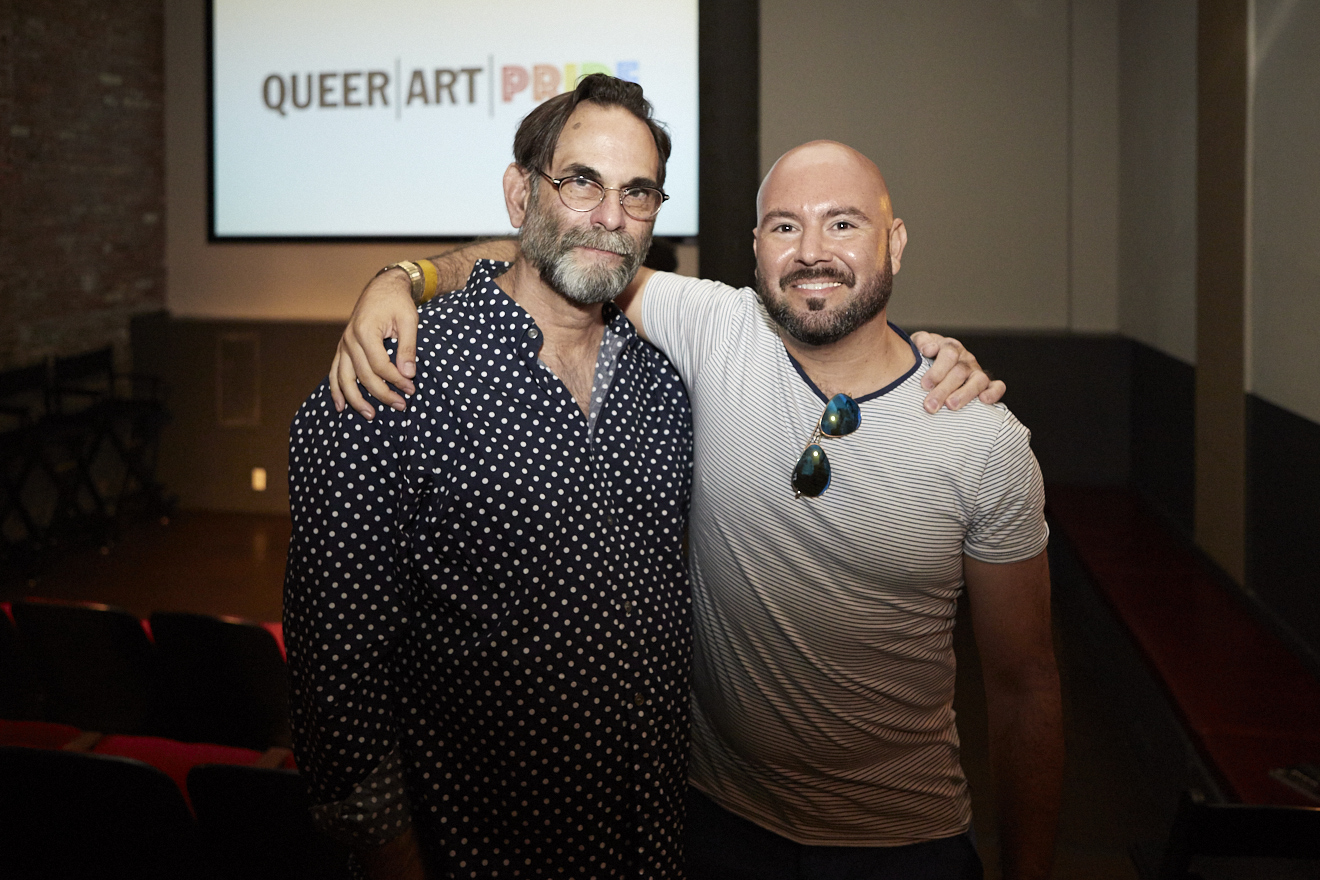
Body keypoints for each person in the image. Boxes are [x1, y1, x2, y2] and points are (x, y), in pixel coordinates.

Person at [329, 133, 1063, 878]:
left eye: (843, 223)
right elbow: (558, 247)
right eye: (785, 225)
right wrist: (404, 279)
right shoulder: (716, 330)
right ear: (756, 247)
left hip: (905, 844)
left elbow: (1024, 684)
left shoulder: (982, 440)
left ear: (894, 242)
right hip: (712, 828)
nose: (812, 250)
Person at [284, 75, 697, 879]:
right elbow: (337, 679)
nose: (609, 217)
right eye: (581, 181)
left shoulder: (669, 379)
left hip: (655, 842)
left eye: (637, 192)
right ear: (520, 194)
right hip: (480, 851)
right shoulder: (397, 377)